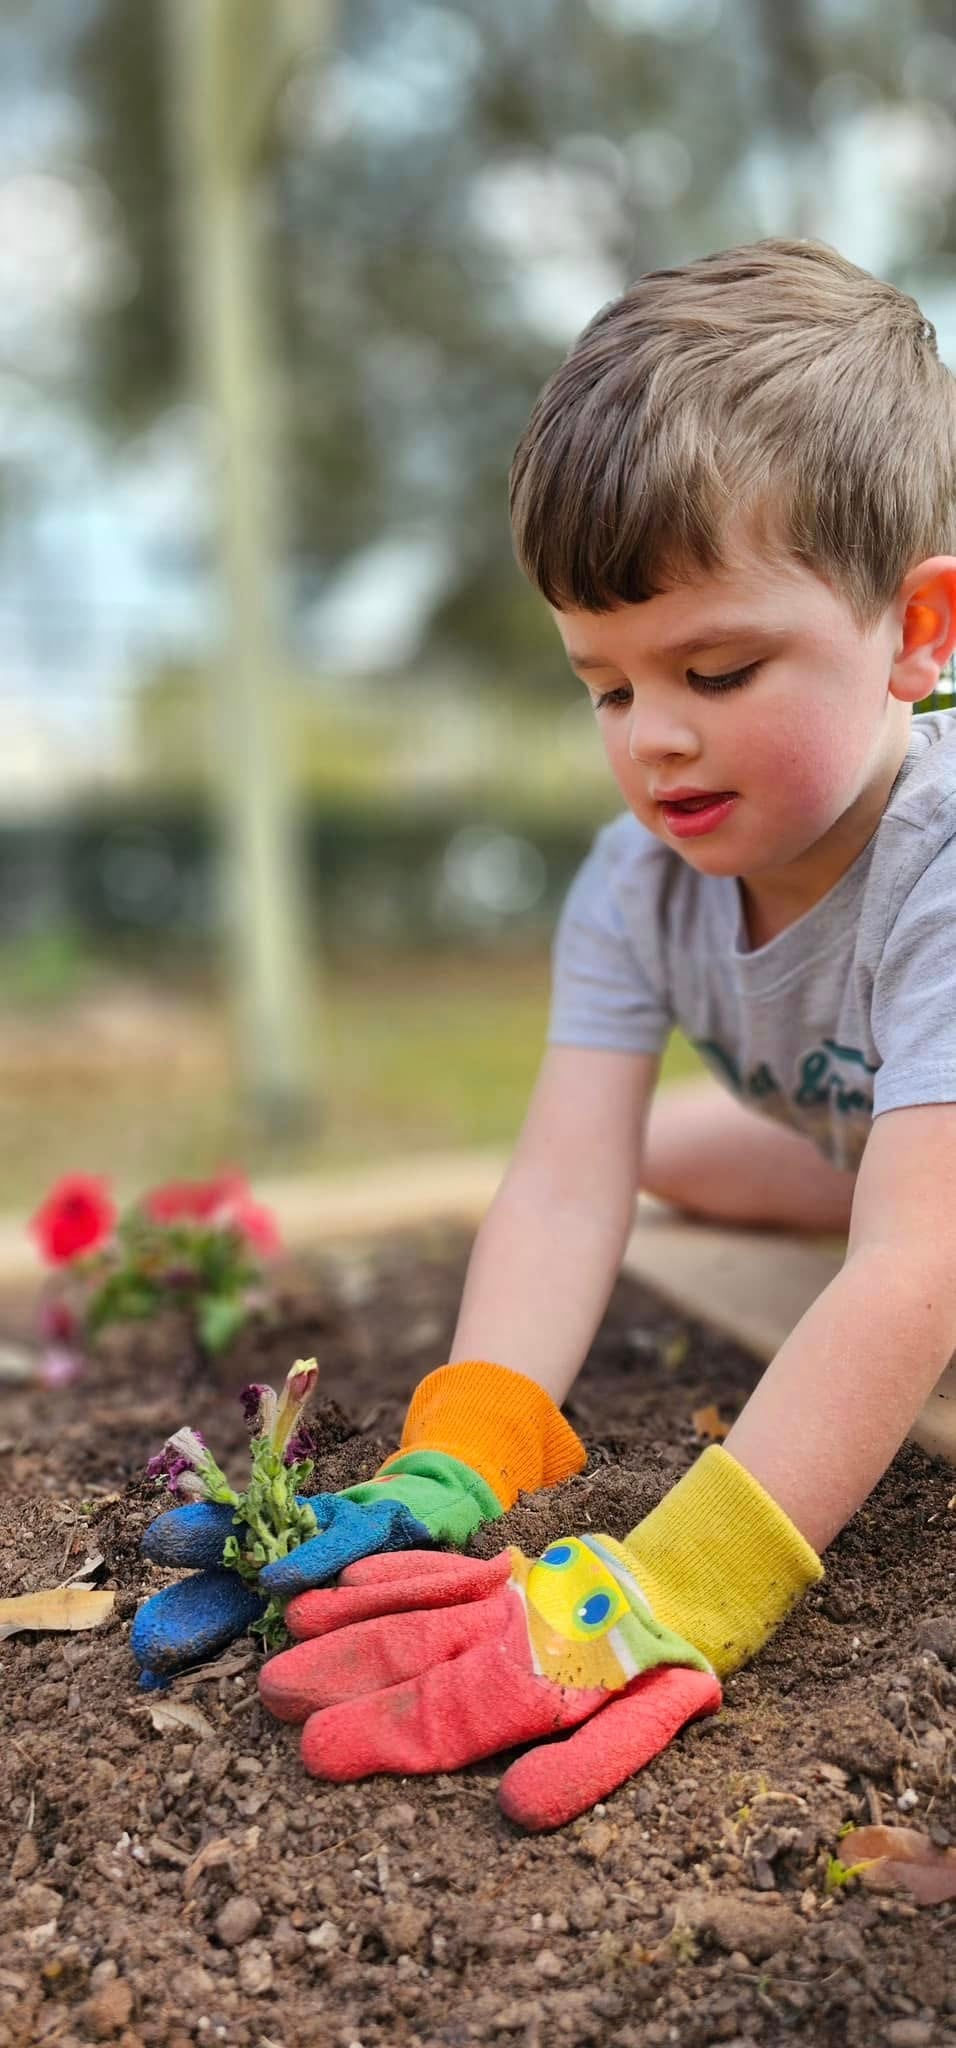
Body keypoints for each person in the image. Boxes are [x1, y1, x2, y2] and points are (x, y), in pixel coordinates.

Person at [135, 239, 956, 1828]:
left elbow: (914, 1276)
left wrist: (672, 1584)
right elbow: (571, 1180)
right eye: (601, 686)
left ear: (919, 633)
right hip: (884, 1147)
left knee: (907, 1233)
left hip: (930, 1200)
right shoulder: (634, 884)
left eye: (718, 668)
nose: (654, 738)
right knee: (668, 1163)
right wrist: (467, 1446)